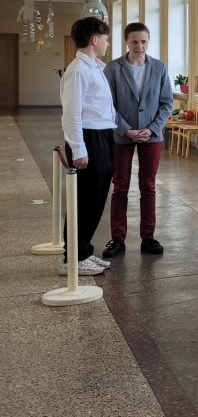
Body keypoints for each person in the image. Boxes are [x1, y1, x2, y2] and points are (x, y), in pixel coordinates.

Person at [102, 22, 173, 258]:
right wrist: (126, 130)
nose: (139, 46)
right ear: (126, 42)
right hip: (122, 136)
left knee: (148, 186)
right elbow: (107, 104)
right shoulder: (113, 68)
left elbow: (166, 103)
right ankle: (117, 239)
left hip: (151, 136)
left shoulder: (159, 67)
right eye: (134, 42)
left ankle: (148, 237)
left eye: (143, 42)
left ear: (148, 42)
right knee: (120, 186)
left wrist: (152, 129)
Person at [59, 16, 117, 276]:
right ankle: (72, 258)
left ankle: (83, 250)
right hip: (88, 138)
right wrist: (79, 150)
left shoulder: (94, 68)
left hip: (103, 136)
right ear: (94, 39)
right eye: (105, 38)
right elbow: (71, 114)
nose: (107, 43)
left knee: (96, 200)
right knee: (84, 200)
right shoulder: (77, 71)